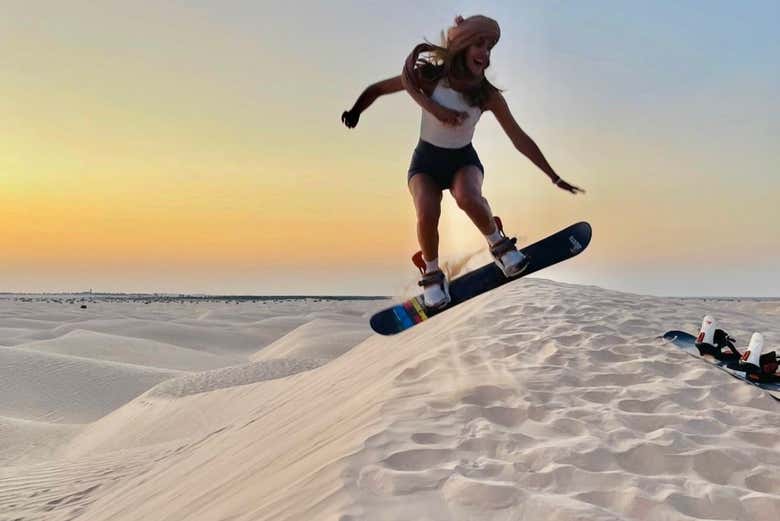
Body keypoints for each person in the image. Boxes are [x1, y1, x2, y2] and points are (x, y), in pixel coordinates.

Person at [342, 14, 584, 309]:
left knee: (467, 197)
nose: (485, 53)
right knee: (427, 212)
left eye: (490, 47)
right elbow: (379, 89)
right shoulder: (432, 80)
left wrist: (553, 176)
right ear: (464, 46)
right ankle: (432, 273)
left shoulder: (487, 96)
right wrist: (356, 110)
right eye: (479, 45)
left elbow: (518, 137)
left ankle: (499, 244)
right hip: (425, 163)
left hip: (462, 160)